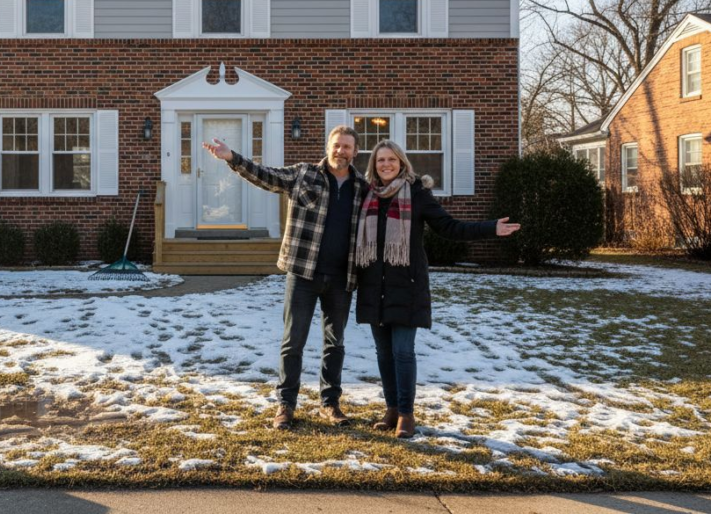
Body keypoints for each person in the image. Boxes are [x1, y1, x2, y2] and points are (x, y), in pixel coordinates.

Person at [203, 126, 368, 430]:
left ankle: (330, 403)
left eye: (347, 146)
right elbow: (266, 176)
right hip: (303, 273)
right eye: (336, 145)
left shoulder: (363, 188)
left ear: (355, 151)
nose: (341, 151)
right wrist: (232, 158)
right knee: (293, 341)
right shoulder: (304, 174)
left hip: (342, 277)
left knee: (335, 343)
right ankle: (286, 404)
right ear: (327, 147)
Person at [354, 139, 520, 438]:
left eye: (391, 159)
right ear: (373, 165)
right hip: (373, 286)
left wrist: (490, 227)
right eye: (380, 160)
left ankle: (406, 414)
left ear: (401, 163)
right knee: (383, 353)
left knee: (403, 352)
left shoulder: (417, 194)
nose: (386, 164)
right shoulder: (367, 196)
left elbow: (449, 227)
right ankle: (391, 409)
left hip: (407, 285)